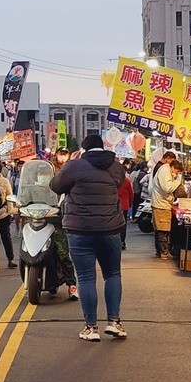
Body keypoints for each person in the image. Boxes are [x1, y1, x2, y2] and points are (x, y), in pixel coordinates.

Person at [50, 135, 126, 342]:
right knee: (112, 274)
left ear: (83, 149)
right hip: (110, 229)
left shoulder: (75, 166)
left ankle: (91, 328)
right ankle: (114, 323)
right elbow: (118, 186)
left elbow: (56, 186)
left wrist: (71, 169)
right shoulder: (116, 166)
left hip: (80, 231)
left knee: (85, 277)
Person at [49, 148, 79, 300]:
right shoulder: (48, 169)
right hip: (43, 215)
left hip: (60, 218)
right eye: (61, 154)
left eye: (65, 154)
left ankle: (72, 286)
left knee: (63, 253)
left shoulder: (72, 170)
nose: (62, 157)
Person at [148, 151, 178, 258]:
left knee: (159, 229)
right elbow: (166, 188)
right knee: (163, 229)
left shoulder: (160, 167)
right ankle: (163, 252)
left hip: (158, 202)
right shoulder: (165, 168)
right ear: (168, 159)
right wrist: (177, 181)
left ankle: (160, 252)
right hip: (161, 204)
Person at [0, 160, 18, 268]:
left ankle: (10, 258)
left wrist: (9, 211)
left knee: (6, 237)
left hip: (3, 213)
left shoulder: (5, 181)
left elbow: (9, 196)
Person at [116, 162, 134, 251]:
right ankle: (122, 242)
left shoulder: (113, 180)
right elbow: (131, 194)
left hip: (115, 205)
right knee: (123, 224)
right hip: (124, 206)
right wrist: (130, 203)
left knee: (115, 224)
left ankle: (115, 241)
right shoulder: (126, 181)